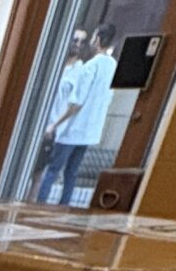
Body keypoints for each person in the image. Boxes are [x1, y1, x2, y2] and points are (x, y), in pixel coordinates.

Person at [38, 24, 117, 206]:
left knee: (53, 170)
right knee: (71, 173)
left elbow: (76, 103)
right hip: (90, 130)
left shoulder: (90, 66)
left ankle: (39, 205)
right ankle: (65, 207)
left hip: (73, 129)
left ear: (97, 39)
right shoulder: (113, 66)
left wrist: (55, 124)